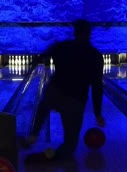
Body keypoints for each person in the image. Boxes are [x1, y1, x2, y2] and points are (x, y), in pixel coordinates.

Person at [22, 19, 105, 162]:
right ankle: (51, 156)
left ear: (75, 32)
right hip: (75, 100)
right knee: (70, 146)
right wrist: (98, 113)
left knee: (43, 105)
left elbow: (46, 54)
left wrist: (36, 61)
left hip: (54, 92)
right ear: (89, 33)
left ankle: (33, 135)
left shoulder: (62, 46)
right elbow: (97, 86)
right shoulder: (95, 55)